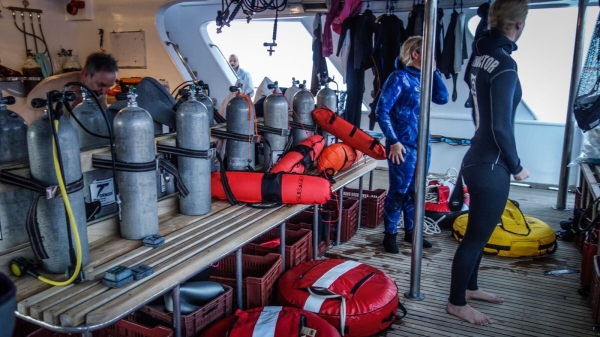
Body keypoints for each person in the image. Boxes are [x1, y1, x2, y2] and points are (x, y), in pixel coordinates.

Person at [446, 0, 530, 326]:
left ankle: (470, 288)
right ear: (519, 24)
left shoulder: (481, 57)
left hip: (477, 156)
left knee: (480, 230)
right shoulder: (506, 65)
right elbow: (500, 127)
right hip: (491, 163)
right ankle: (456, 302)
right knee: (476, 237)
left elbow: (481, 117)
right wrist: (517, 164)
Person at [375, 36, 449, 254]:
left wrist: (434, 71)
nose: (433, 57)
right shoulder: (399, 77)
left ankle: (411, 233)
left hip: (423, 144)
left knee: (416, 192)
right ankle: (389, 235)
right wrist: (393, 141)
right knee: (399, 191)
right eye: (428, 52)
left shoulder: (424, 79)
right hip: (403, 146)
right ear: (415, 54)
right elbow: (382, 111)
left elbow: (442, 98)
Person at [19, 52, 118, 125]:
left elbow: (103, 122)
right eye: (101, 85)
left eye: (109, 86)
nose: (105, 91)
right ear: (85, 74)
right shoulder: (53, 89)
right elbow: (51, 130)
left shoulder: (98, 92)